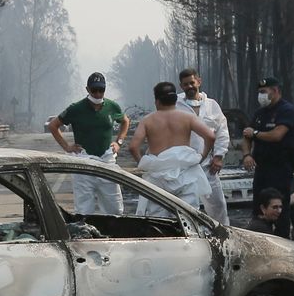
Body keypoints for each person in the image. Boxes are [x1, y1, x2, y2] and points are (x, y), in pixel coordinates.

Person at [47, 72, 128, 215]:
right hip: (84, 162)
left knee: (114, 207)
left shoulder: (112, 107)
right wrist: (67, 147)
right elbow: (53, 126)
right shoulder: (76, 109)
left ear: (105, 89)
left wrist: (118, 142)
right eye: (94, 90)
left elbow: (125, 121)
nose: (97, 94)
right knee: (84, 209)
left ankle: (113, 233)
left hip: (106, 161)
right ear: (87, 89)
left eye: (101, 90)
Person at [131, 81, 216, 210]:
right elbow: (210, 136)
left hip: (157, 177)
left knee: (159, 221)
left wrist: (144, 163)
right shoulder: (188, 117)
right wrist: (202, 156)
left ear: (157, 101)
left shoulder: (148, 120)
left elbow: (133, 147)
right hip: (185, 175)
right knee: (188, 216)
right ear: (175, 99)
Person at [242, 76, 294, 235]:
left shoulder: (287, 110)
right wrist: (247, 154)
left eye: (263, 92)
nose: (260, 96)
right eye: (259, 92)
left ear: (275, 91)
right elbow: (246, 136)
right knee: (259, 208)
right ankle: (258, 237)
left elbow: (277, 135)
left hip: (280, 168)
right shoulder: (259, 113)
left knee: (279, 209)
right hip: (261, 168)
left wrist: (255, 133)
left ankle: (281, 240)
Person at [177, 68, 232, 224]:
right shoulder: (176, 105)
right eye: (185, 84)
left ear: (199, 82)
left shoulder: (211, 106)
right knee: (186, 205)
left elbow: (222, 131)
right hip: (184, 165)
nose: (189, 87)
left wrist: (219, 156)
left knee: (217, 204)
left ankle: (223, 233)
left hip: (208, 165)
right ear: (181, 86)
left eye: (192, 83)